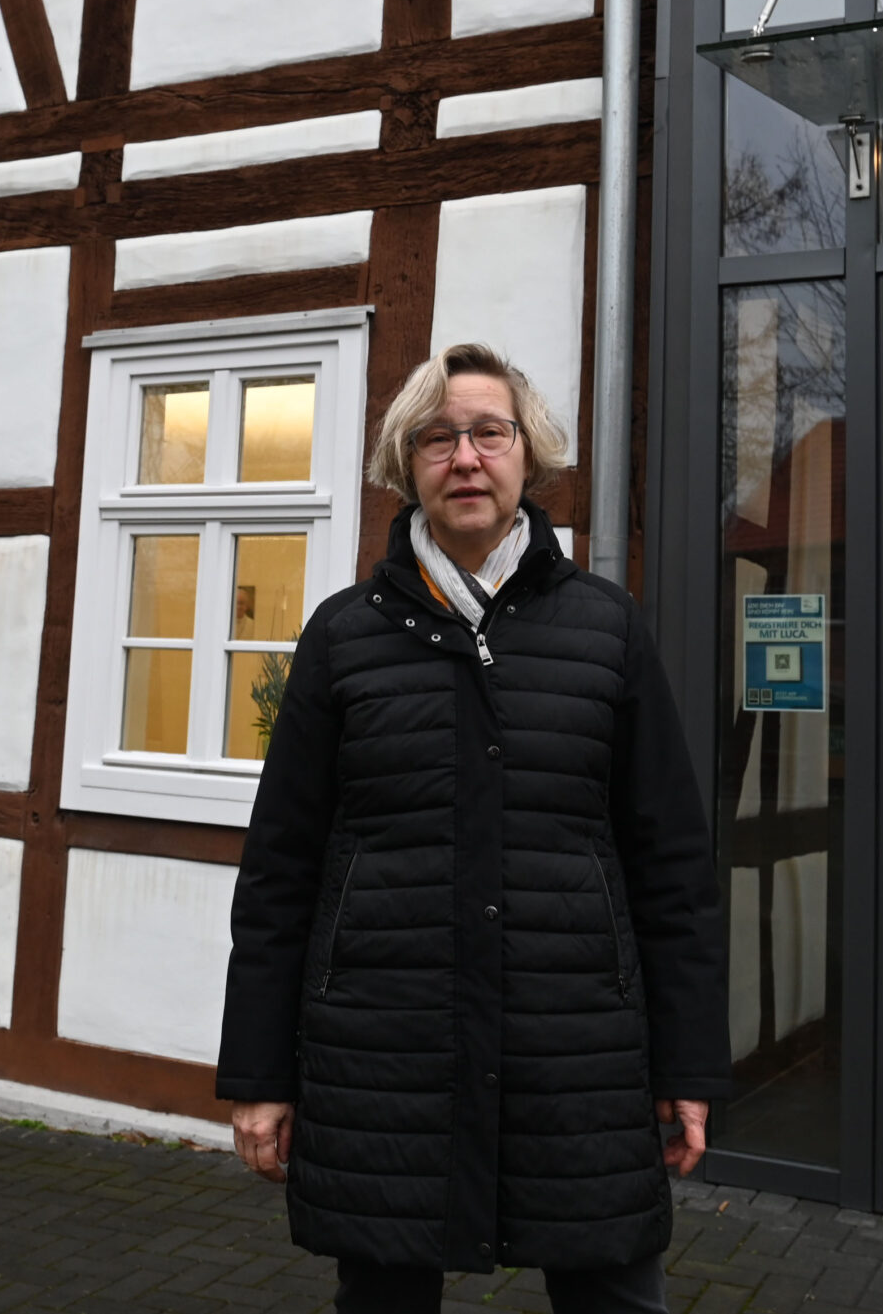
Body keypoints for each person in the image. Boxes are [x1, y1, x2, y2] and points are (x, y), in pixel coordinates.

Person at [216, 341, 731, 1314]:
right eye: (437, 436)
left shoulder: (606, 630)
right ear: (403, 463)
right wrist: (259, 1072)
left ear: (525, 455)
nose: (464, 456)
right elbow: (279, 868)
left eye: (488, 433)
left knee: (614, 1292)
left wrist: (688, 1063)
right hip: (382, 1054)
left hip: (577, 1053)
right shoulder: (342, 636)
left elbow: (671, 867)